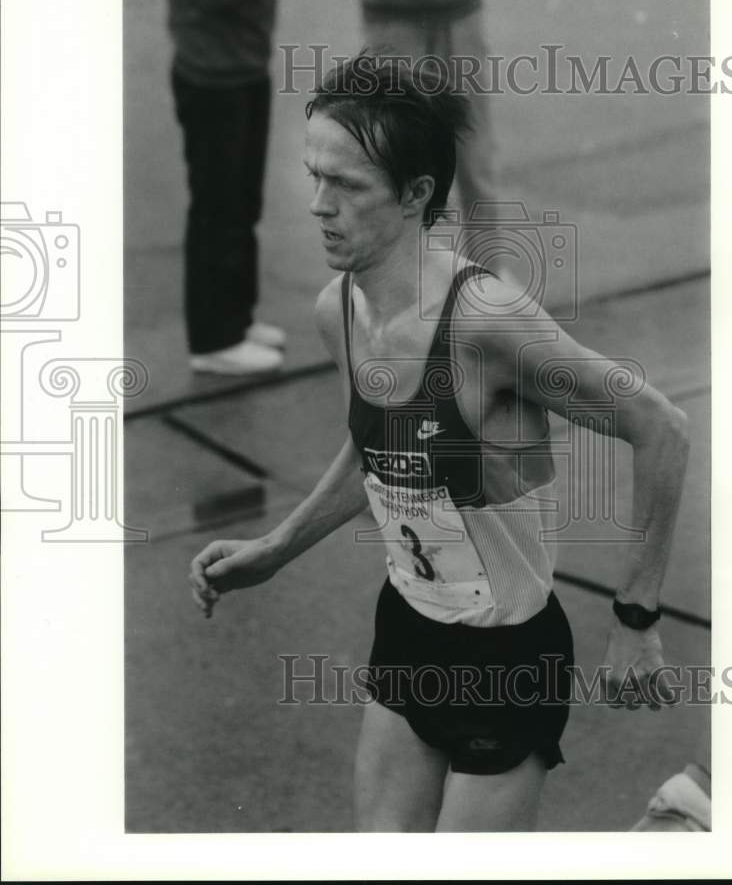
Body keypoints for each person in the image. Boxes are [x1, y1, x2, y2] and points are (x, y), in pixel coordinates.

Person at [189, 54, 690, 832]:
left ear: (417, 194)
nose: (320, 206)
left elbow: (660, 427)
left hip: (507, 658)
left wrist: (636, 618)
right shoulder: (338, 310)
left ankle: (676, 828)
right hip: (409, 626)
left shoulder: (485, 322)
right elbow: (377, 451)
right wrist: (278, 546)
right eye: (313, 177)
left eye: (347, 185)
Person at [163, 0, 309, 374]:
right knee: (217, 207)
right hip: (210, 77)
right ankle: (213, 339)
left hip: (248, 68)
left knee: (244, 205)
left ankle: (237, 320)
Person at [353, 0, 499, 243]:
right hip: (393, 13)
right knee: (398, 154)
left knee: (474, 156)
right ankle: (399, 280)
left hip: (458, 9)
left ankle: (487, 276)